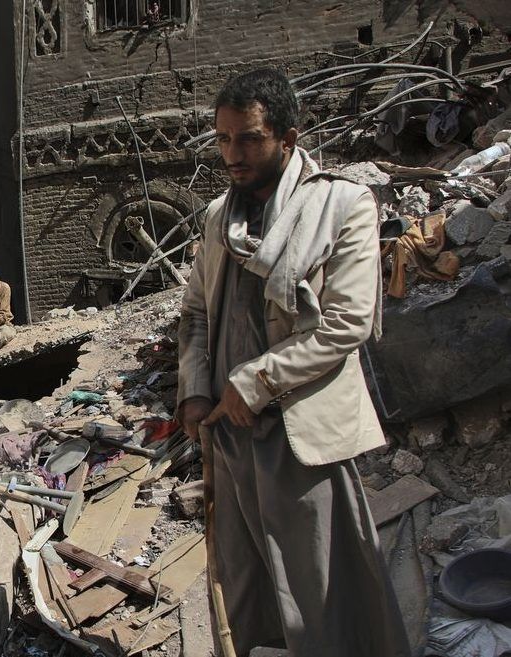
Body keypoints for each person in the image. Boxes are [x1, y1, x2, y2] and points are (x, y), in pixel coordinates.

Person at [176, 68, 410, 657]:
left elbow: (346, 324)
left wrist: (254, 382)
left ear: (288, 138)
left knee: (322, 593)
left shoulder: (342, 205)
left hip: (300, 434)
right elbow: (196, 311)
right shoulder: (218, 217)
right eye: (224, 139)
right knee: (247, 589)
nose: (233, 154)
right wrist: (195, 391)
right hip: (229, 436)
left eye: (250, 139)